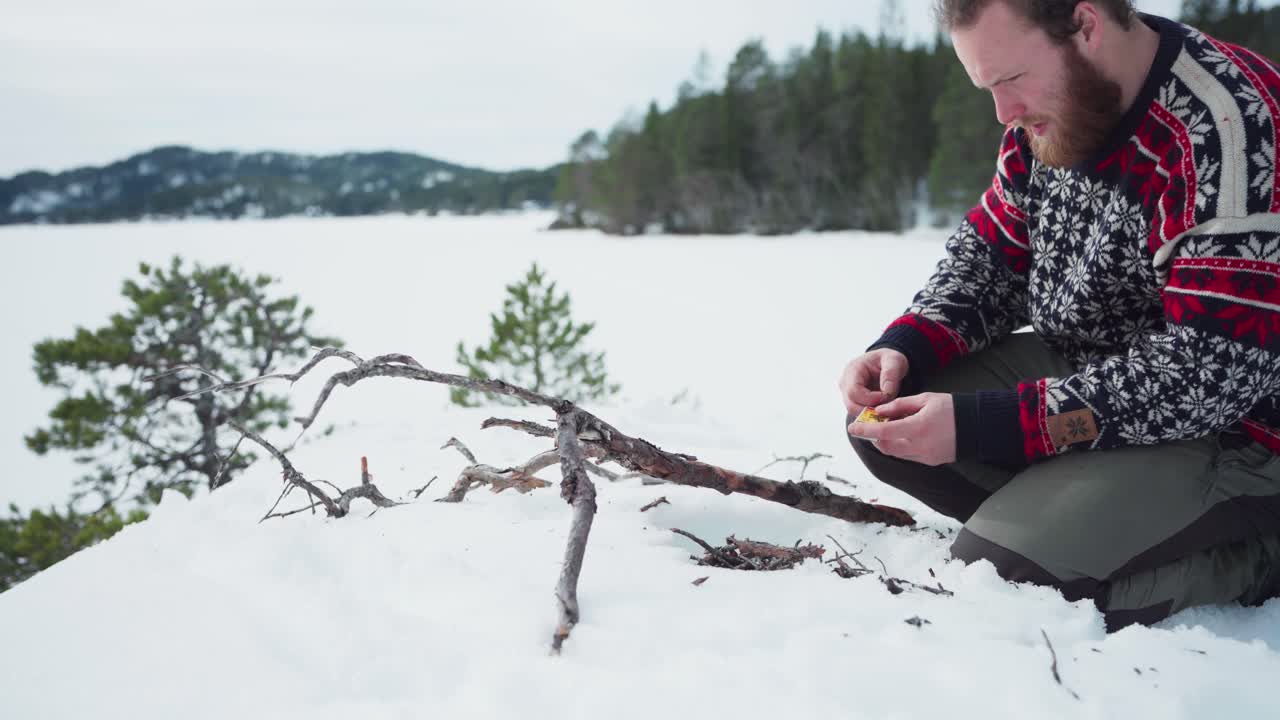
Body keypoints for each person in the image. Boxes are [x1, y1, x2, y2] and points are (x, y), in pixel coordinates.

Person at [840, 0, 1280, 631]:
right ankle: (1085, 517)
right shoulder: (1058, 110)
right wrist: (906, 345)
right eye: (988, 88)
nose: (1004, 112)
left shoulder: (1231, 129)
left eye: (1010, 80)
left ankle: (1250, 550)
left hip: (1240, 430)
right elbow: (994, 252)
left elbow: (1210, 373)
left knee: (1012, 580)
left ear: (1085, 24)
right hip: (1100, 374)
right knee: (888, 416)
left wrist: (990, 426)